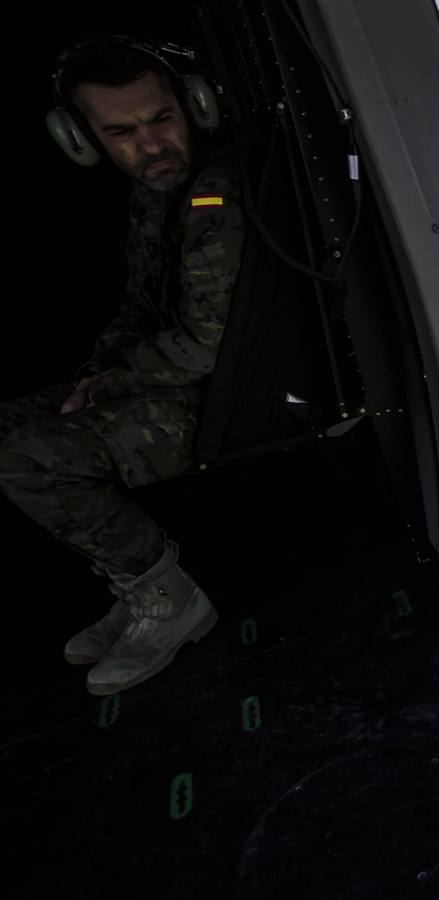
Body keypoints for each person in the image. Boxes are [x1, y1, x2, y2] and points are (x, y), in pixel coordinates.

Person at [0, 38, 242, 695]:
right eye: (122, 132)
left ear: (194, 107)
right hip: (167, 382)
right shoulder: (156, 196)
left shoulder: (218, 200)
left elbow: (205, 346)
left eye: (161, 119)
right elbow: (139, 308)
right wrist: (95, 373)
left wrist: (106, 385)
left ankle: (168, 599)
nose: (151, 144)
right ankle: (137, 588)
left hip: (222, 397)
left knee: (27, 460)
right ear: (86, 140)